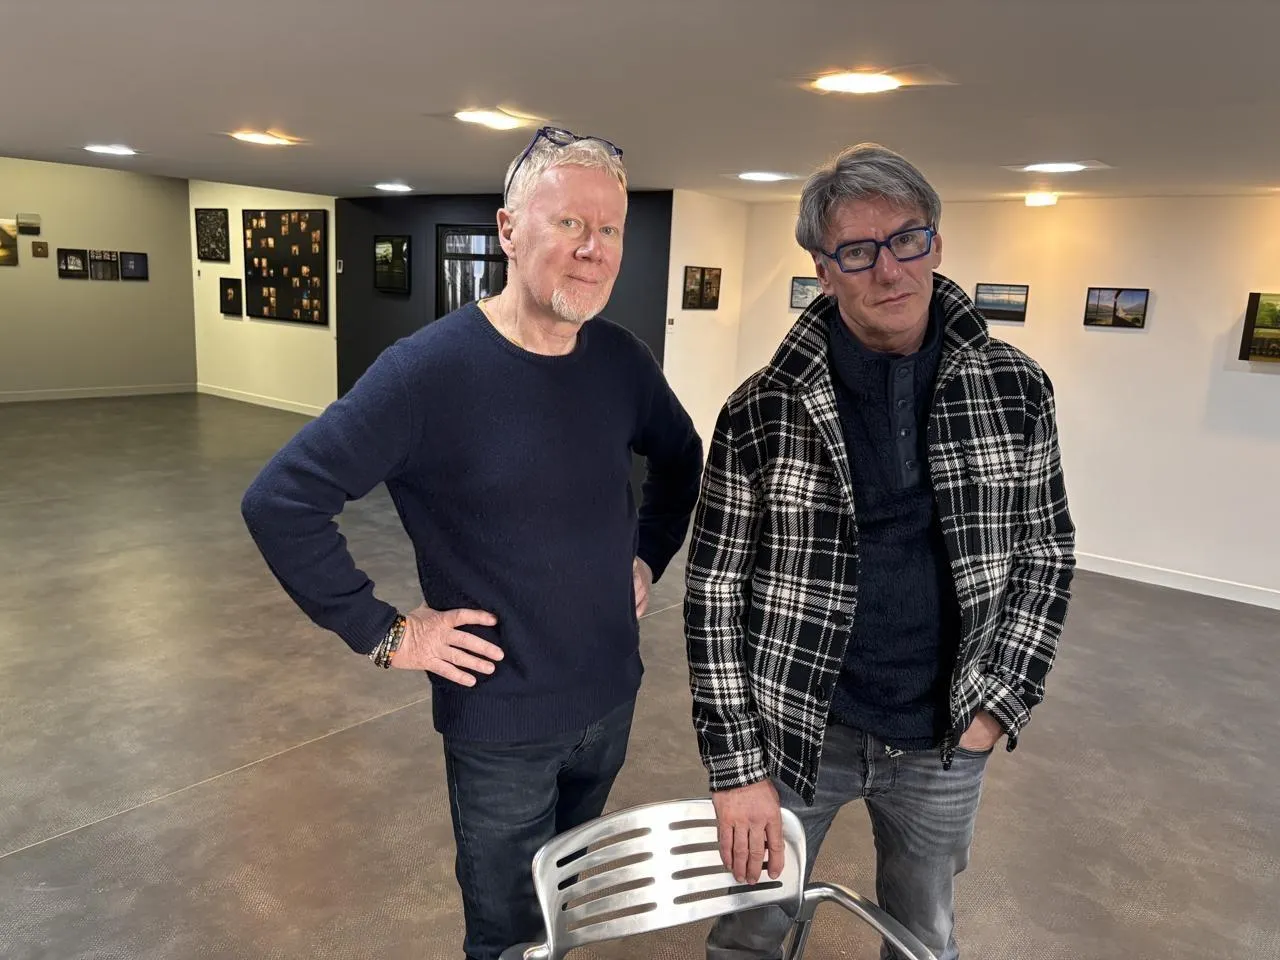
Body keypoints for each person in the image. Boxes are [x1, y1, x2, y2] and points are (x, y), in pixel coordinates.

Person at [241, 125, 703, 960]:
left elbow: (680, 456)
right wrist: (386, 633)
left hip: (610, 694)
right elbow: (281, 500)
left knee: (564, 912)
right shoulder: (426, 373)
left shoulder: (621, 362)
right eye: (569, 223)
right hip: (501, 722)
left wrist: (647, 554)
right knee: (507, 937)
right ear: (508, 230)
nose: (593, 248)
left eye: (609, 229)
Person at [684, 143, 1075, 960]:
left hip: (945, 734)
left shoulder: (1016, 389)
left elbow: (1045, 553)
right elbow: (713, 593)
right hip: (795, 728)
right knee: (753, 927)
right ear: (824, 271)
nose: (889, 269)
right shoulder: (760, 410)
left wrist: (1001, 702)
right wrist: (735, 767)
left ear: (936, 243)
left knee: (923, 936)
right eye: (857, 251)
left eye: (906, 239)